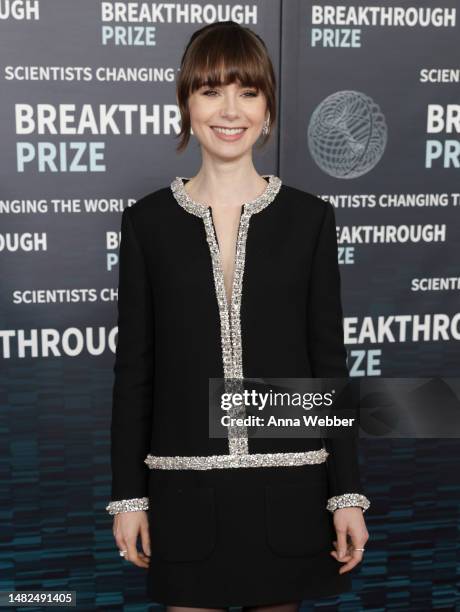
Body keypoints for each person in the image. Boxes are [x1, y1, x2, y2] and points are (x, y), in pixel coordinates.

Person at [106, 20, 370, 612]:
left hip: (291, 492)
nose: (231, 109)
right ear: (186, 103)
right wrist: (129, 498)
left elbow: (330, 365)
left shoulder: (309, 220)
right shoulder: (146, 224)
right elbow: (134, 374)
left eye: (248, 91)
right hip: (183, 493)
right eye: (211, 90)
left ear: (268, 106)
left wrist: (346, 492)